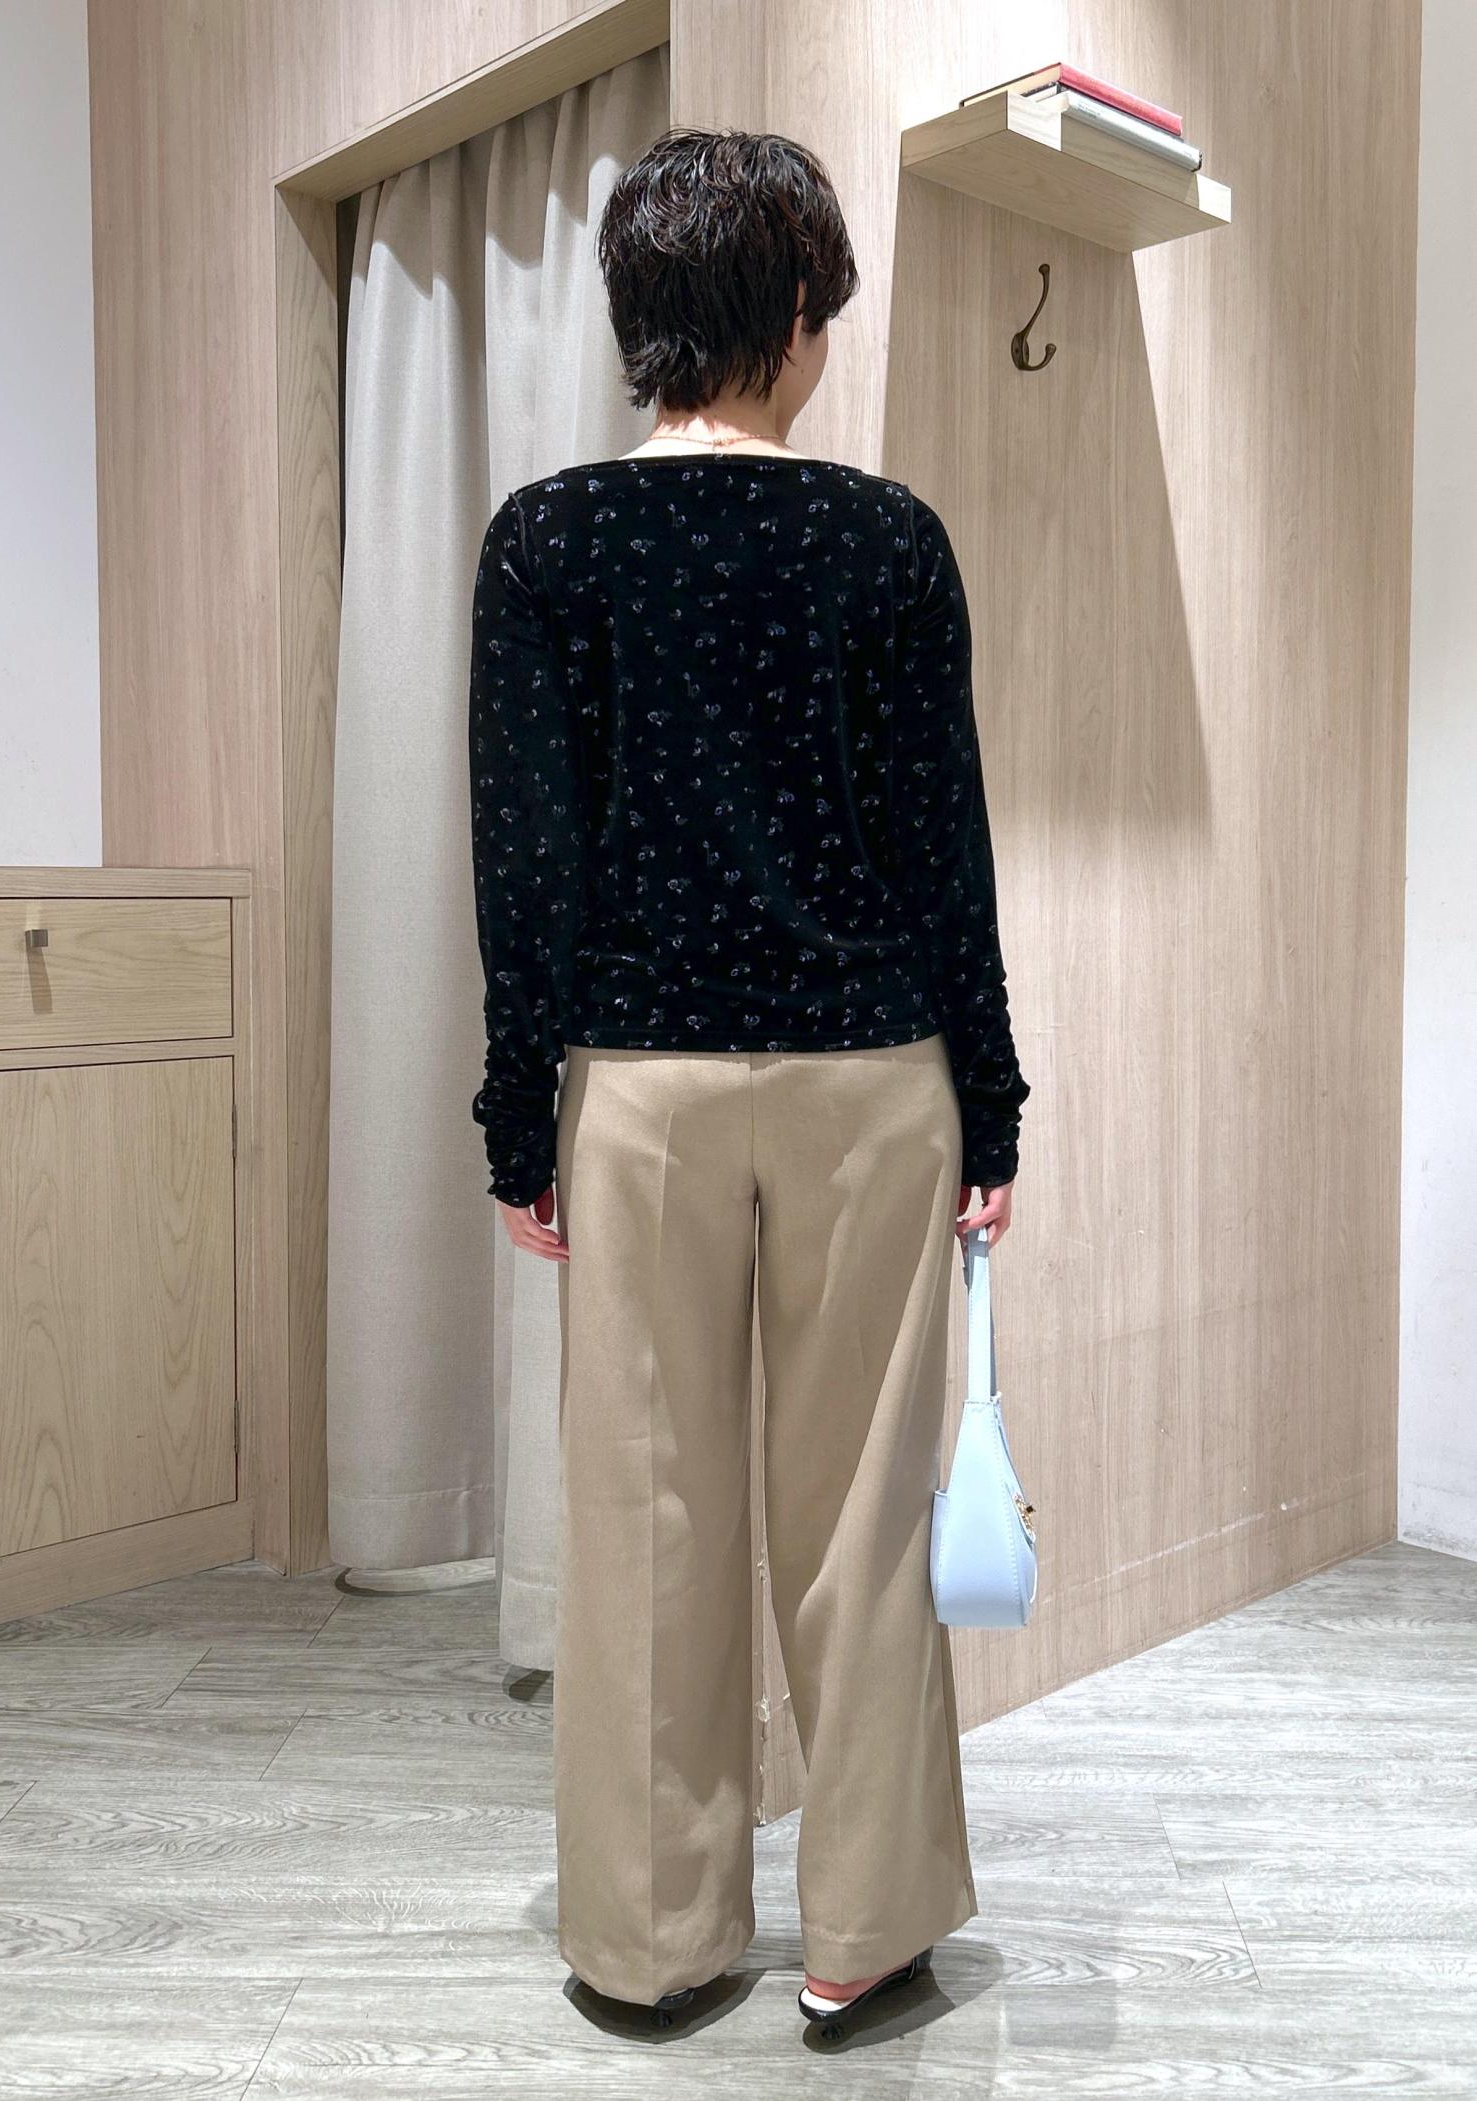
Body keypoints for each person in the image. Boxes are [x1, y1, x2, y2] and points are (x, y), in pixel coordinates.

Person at [468, 125, 1031, 2034]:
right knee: (862, 1517)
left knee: (645, 1513)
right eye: (824, 308)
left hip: (641, 1089)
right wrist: (995, 1100)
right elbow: (946, 850)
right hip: (874, 1082)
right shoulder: (888, 540)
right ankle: (864, 1926)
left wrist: (517, 1119)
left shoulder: (547, 539)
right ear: (791, 310)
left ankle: (649, 1940)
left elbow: (526, 862)